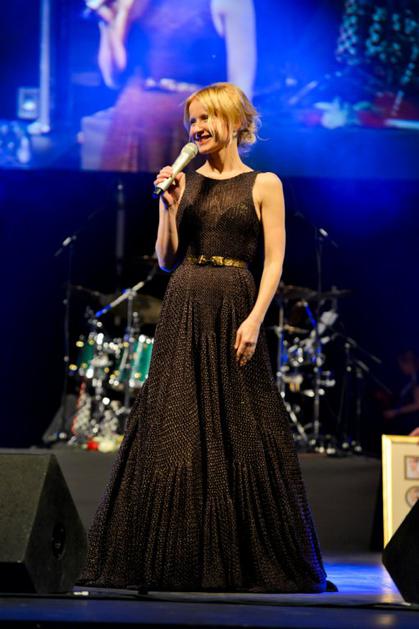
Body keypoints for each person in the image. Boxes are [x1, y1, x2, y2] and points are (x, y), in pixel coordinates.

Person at [78, 82, 330, 593]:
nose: (197, 128)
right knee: (175, 426)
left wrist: (255, 319)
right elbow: (166, 259)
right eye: (192, 120)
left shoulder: (265, 183)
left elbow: (274, 261)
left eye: (207, 117)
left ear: (236, 122)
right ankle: (175, 555)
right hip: (186, 301)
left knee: (240, 424)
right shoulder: (184, 181)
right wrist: (168, 205)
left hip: (234, 300)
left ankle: (240, 553)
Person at [83, 0, 257, 172]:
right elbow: (113, 79)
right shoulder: (138, 4)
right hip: (131, 126)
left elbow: (241, 86)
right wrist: (108, 21)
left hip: (187, 129)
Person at [383, 349, 419, 436]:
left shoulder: (417, 380)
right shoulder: (410, 380)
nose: (401, 368)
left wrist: (395, 412)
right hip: (406, 422)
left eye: (402, 364)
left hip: (412, 423)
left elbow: (417, 404)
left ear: (410, 363)